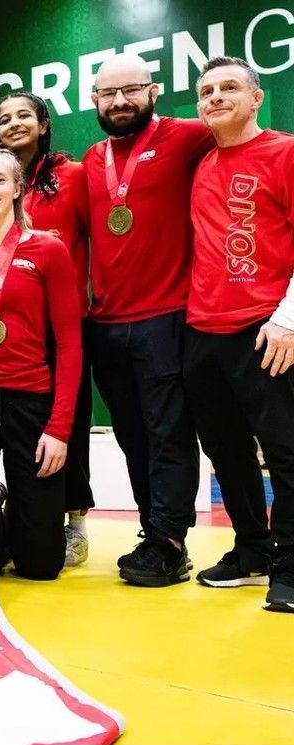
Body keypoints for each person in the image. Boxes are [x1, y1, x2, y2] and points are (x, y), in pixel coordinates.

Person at [83, 52, 215, 587]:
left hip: (167, 315)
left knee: (168, 433)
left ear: (154, 90)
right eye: (107, 94)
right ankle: (152, 529)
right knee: (132, 434)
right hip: (105, 322)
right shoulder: (91, 159)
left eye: (130, 90)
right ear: (94, 100)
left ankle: (171, 541)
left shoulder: (189, 137)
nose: (118, 102)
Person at [183, 56, 294, 613]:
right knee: (225, 450)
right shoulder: (201, 162)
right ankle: (251, 550)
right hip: (202, 331)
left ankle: (290, 567)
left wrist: (288, 319)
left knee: (286, 452)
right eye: (206, 91)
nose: (216, 97)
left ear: (256, 98)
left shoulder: (286, 152)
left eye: (230, 87)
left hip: (266, 329)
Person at [0, 148, 82, 580]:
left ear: (18, 188)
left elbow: (70, 343)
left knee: (41, 565)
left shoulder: (48, 249)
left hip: (30, 398)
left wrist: (59, 429)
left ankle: (15, 512)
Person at [0, 91, 93, 567]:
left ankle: (76, 523)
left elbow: (101, 237)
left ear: (44, 123)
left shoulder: (72, 177)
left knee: (66, 419)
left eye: (23, 116)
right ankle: (15, 509)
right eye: (4, 119)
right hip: (12, 319)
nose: (13, 124)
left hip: (63, 320)